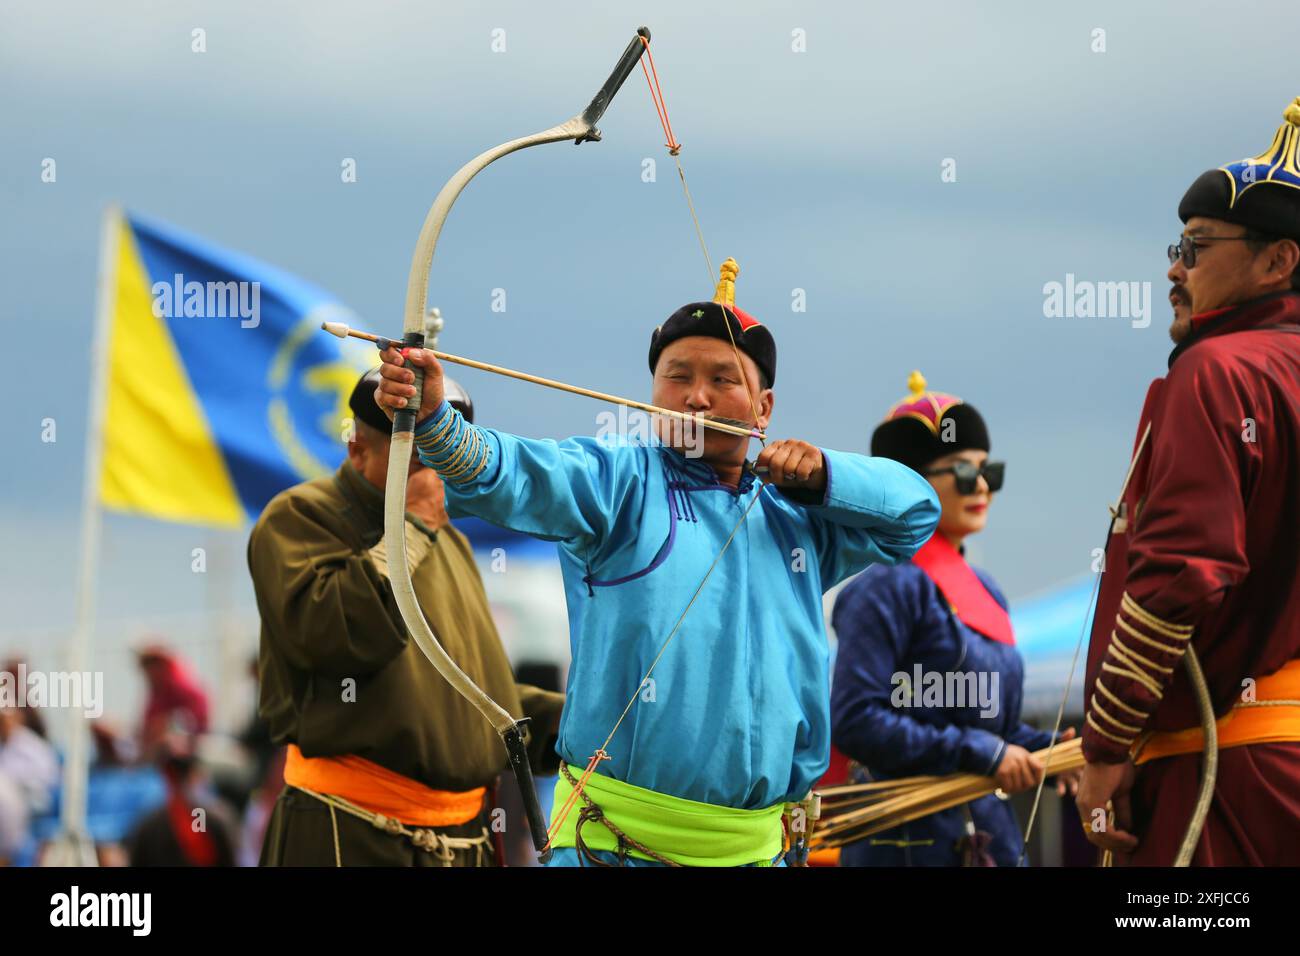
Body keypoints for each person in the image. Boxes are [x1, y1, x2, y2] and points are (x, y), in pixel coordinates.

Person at [375, 259, 941, 866]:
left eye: (723, 379)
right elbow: (516, 474)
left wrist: (827, 473)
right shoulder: (616, 481)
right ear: (651, 393)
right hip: (615, 848)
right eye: (677, 377)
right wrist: (435, 420)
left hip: (759, 851)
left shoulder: (800, 515)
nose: (696, 396)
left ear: (763, 407)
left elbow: (916, 513)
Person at [1077, 97, 1300, 865]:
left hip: (1232, 778)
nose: (1175, 267)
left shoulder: (1217, 372)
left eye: (1197, 247)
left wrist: (1104, 747)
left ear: (1279, 261)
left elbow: (1180, 575)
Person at [249, 369, 564, 866]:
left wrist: (571, 724)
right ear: (358, 449)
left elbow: (477, 694)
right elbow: (336, 638)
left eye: (444, 457)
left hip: (466, 841)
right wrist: (413, 529)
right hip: (350, 834)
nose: (435, 477)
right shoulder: (301, 517)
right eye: (417, 458)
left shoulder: (451, 541)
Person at [830, 373, 1079, 866]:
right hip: (906, 842)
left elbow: (993, 728)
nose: (983, 486)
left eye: (990, 471)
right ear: (912, 486)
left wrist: (1046, 752)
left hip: (984, 833)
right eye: (963, 473)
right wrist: (980, 753)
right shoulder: (887, 585)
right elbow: (856, 719)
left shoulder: (988, 591)